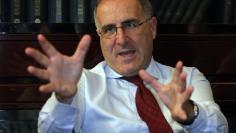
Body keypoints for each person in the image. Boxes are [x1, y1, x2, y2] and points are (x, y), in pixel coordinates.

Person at [25, 0, 228, 132]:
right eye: (110, 29)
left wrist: (190, 114)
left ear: (152, 28)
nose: (121, 39)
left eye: (130, 24)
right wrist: (63, 99)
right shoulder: (81, 84)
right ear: (100, 37)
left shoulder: (187, 79)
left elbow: (219, 129)